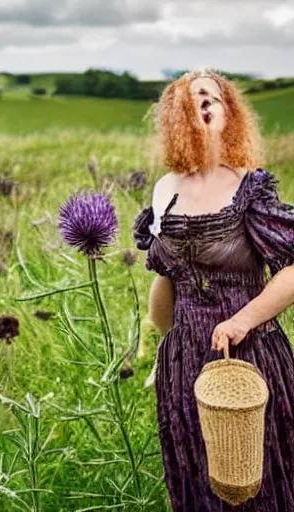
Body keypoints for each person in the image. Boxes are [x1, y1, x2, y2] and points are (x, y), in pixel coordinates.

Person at [132, 69, 294, 511]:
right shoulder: (165, 190)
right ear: (176, 117)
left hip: (249, 356)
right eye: (192, 97)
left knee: (261, 481)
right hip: (184, 361)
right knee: (197, 477)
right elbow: (165, 280)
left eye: (214, 95)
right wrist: (157, 335)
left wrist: (244, 318)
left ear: (229, 111)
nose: (204, 100)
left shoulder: (250, 186)